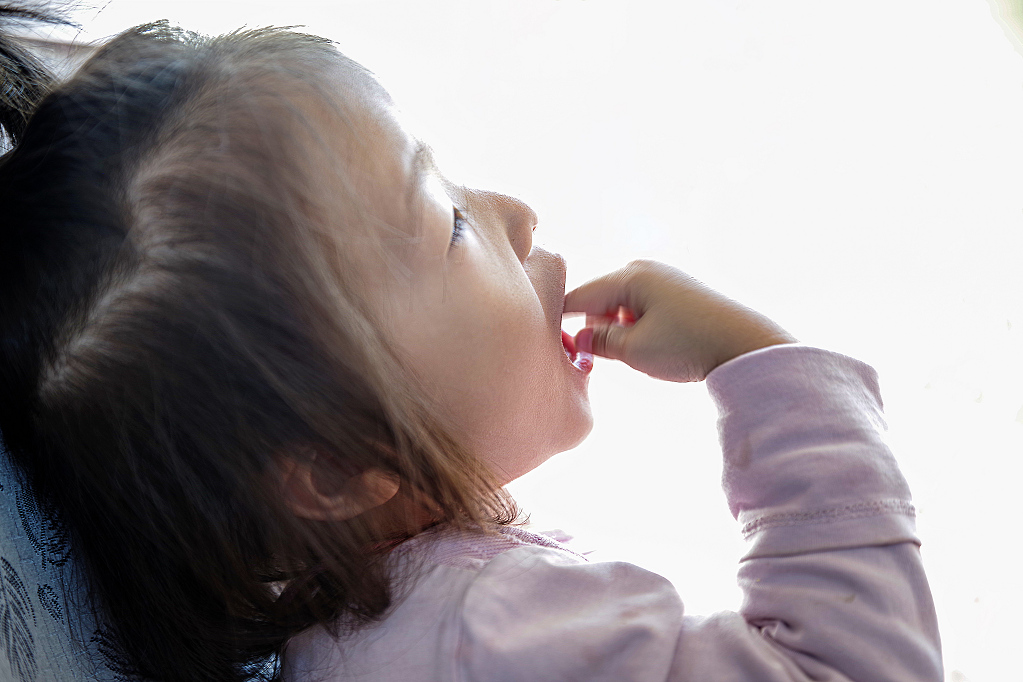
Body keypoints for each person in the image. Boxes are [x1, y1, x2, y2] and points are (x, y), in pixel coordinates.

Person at [0, 4, 942, 681]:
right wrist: (760, 363)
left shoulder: (365, 635)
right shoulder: (491, 633)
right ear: (333, 466)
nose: (516, 215)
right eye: (446, 221)